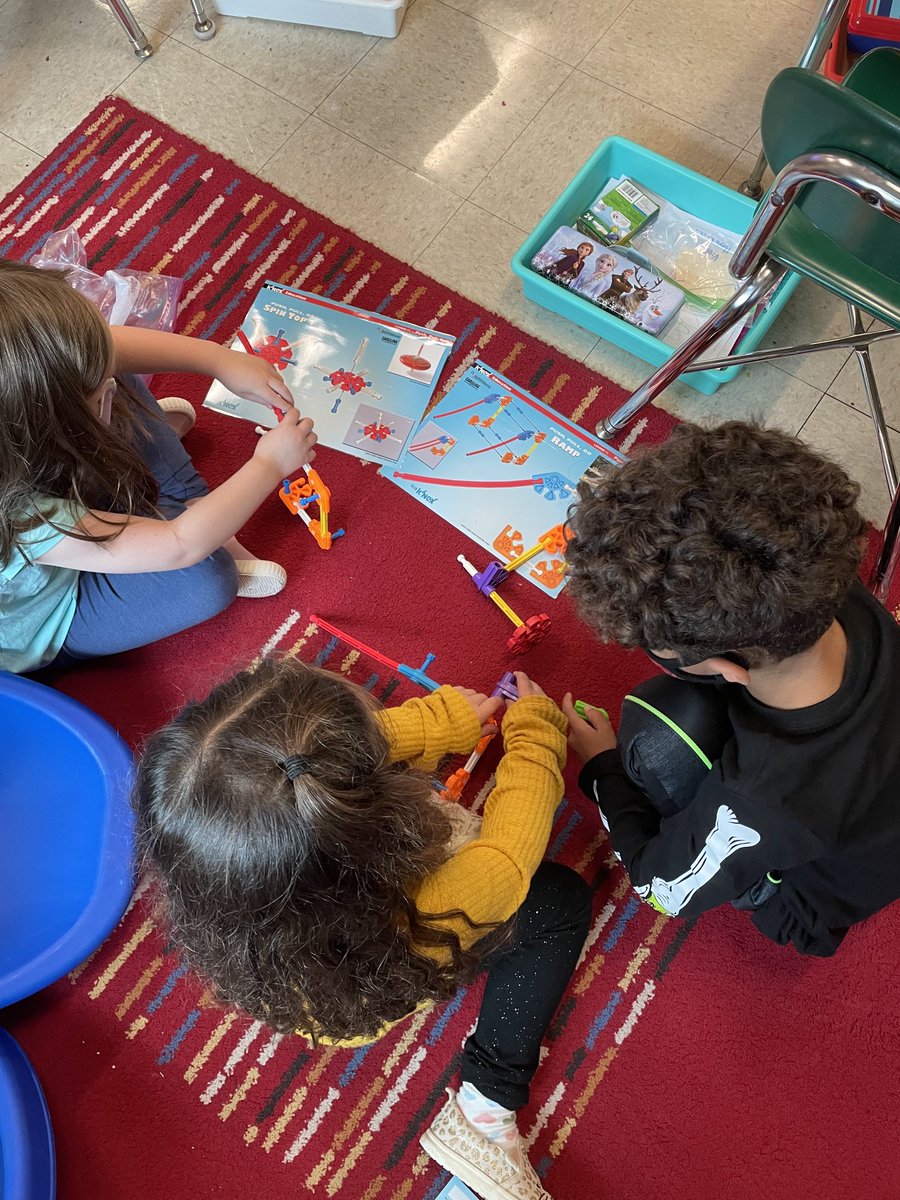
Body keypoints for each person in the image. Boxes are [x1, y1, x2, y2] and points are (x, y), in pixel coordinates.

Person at [135, 658, 591, 1200]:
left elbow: (296, 766)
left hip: (300, 979)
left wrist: (441, 722)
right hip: (384, 970)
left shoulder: (206, 855)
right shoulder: (441, 901)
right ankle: (487, 1104)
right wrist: (536, 732)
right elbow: (511, 849)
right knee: (560, 900)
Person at [562, 419, 900, 957]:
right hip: (866, 775)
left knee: (660, 731)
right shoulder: (816, 578)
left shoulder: (766, 796)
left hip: (803, 897)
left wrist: (602, 767)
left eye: (655, 648)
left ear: (729, 666)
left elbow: (663, 888)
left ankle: (761, 885)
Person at [0, 257, 317, 674]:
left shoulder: (24, 420)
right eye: (99, 406)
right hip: (59, 616)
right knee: (205, 578)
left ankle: (184, 498)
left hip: (52, 478)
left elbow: (109, 347)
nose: (108, 399)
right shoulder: (29, 520)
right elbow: (179, 546)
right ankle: (187, 508)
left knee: (99, 369)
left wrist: (220, 361)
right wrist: (269, 465)